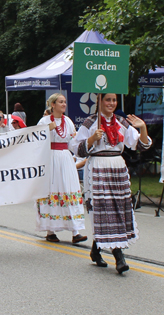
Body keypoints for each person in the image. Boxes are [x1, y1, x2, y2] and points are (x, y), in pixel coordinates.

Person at [72, 93, 152, 274]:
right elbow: (76, 147)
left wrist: (143, 128)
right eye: (107, 99)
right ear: (99, 101)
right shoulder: (90, 122)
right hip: (98, 166)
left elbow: (141, 146)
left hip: (117, 166)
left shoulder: (122, 122)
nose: (111, 103)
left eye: (114, 100)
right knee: (105, 210)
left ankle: (95, 250)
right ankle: (119, 257)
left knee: (117, 209)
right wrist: (92, 139)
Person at [36, 93, 87, 244]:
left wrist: (79, 145)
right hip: (50, 157)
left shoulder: (68, 121)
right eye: (61, 102)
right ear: (53, 105)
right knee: (52, 190)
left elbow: (71, 143)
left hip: (65, 158)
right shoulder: (44, 121)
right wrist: (46, 130)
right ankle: (50, 230)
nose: (64, 104)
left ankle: (75, 231)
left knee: (68, 189)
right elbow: (37, 141)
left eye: (65, 102)